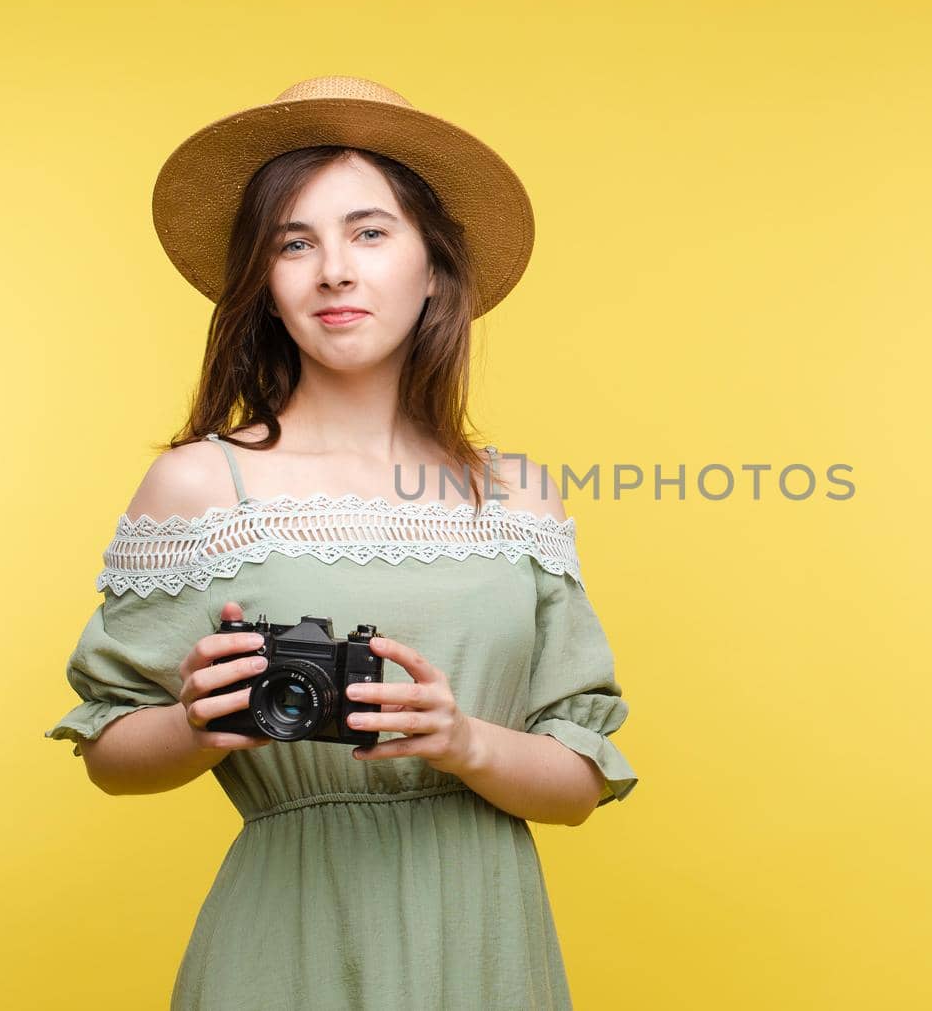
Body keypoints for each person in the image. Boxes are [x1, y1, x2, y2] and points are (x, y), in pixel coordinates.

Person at [43, 75, 639, 1010]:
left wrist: (462, 740)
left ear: (434, 266)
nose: (334, 270)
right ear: (265, 285)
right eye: (295, 242)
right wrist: (201, 723)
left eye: (369, 232)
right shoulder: (202, 483)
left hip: (483, 939)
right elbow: (109, 746)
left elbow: (578, 781)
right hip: (285, 941)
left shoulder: (517, 494)